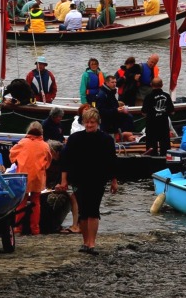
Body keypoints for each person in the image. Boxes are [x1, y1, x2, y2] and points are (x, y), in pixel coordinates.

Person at [56, 108, 117, 255]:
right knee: (83, 212)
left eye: (92, 122)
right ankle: (85, 242)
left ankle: (92, 243)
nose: (89, 125)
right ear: (83, 122)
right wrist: (64, 180)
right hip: (79, 179)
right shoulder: (75, 138)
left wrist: (114, 181)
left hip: (98, 179)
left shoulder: (106, 139)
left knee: (93, 211)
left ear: (98, 123)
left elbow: (112, 161)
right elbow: (66, 161)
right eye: (87, 122)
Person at [10, 122, 52, 236]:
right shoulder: (45, 145)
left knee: (21, 201)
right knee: (36, 202)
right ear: (41, 132)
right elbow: (48, 162)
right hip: (38, 177)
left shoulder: (22, 143)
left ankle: (18, 228)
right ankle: (35, 229)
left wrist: (18, 162)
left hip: (24, 176)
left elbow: (12, 155)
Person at [141, 78, 175, 156]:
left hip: (151, 126)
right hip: (163, 125)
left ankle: (152, 162)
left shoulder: (148, 97)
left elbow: (144, 112)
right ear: (162, 85)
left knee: (151, 147)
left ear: (151, 85)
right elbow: (172, 112)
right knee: (165, 147)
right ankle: (164, 160)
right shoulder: (167, 96)